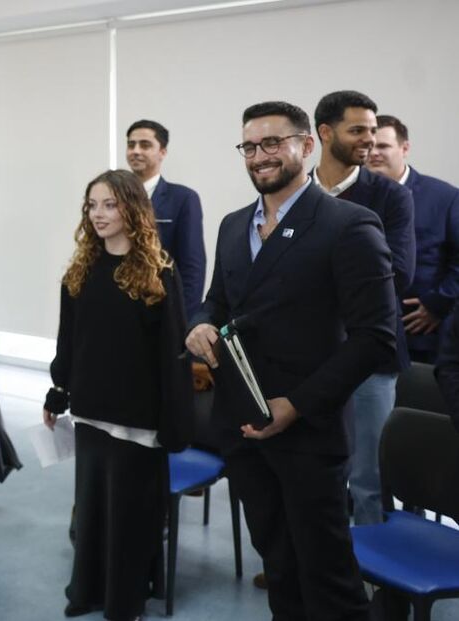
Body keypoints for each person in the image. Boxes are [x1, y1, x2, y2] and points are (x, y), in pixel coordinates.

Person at [186, 101, 396, 621]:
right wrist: (199, 323)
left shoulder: (348, 225)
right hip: (242, 425)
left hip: (307, 433)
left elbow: (376, 339)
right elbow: (218, 300)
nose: (260, 156)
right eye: (250, 146)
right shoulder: (235, 226)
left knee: (329, 582)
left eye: (273, 143)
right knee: (278, 568)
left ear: (307, 145)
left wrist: (297, 405)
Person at [44, 170, 192, 621]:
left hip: (138, 421)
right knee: (91, 513)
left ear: (131, 208)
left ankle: (124, 604)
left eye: (109, 204)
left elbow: (174, 356)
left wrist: (175, 424)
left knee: (130, 520)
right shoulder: (81, 269)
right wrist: (58, 391)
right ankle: (85, 591)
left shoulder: (159, 273)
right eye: (92, 205)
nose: (99, 214)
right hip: (90, 414)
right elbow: (68, 341)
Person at [312, 90, 415, 526]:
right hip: (311, 355)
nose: (369, 141)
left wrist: (314, 280)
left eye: (373, 131)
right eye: (358, 130)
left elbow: (398, 273)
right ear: (325, 133)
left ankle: (371, 586)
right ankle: (315, 565)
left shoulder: (390, 198)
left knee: (368, 480)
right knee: (314, 472)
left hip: (371, 356)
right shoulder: (296, 192)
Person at [368, 114, 459, 364]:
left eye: (383, 146)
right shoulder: (350, 196)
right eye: (369, 146)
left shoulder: (445, 197)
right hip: (363, 332)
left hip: (422, 332)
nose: (374, 153)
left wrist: (438, 303)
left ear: (404, 148)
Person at [125, 120, 206, 318]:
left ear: (162, 152)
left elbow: (192, 266)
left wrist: (183, 320)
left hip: (162, 308)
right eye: (131, 144)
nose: (136, 151)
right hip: (120, 308)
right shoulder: (114, 198)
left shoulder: (183, 198)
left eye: (145, 145)